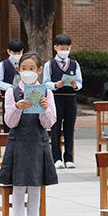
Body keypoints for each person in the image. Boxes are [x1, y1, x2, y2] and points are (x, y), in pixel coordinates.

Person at [0, 52, 58, 216]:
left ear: (39, 70)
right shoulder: (11, 92)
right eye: (24, 69)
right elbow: (9, 122)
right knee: (18, 186)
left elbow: (49, 123)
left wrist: (44, 108)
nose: (27, 72)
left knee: (35, 187)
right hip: (19, 142)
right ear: (18, 70)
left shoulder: (46, 92)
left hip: (38, 142)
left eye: (32, 69)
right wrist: (17, 107)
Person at [44, 33, 82, 169]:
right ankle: (56, 158)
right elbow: (45, 83)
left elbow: (80, 82)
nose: (64, 50)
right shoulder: (50, 64)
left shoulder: (74, 64)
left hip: (71, 98)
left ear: (70, 48)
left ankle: (69, 158)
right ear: (55, 47)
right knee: (55, 128)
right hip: (56, 98)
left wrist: (75, 85)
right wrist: (55, 85)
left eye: (66, 48)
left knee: (69, 128)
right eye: (61, 48)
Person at [0, 38, 24, 132]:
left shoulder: (25, 64)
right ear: (8, 51)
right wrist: (11, 87)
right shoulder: (3, 65)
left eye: (19, 52)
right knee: (10, 124)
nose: (17, 55)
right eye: (14, 53)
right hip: (8, 98)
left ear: (22, 51)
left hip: (24, 98)